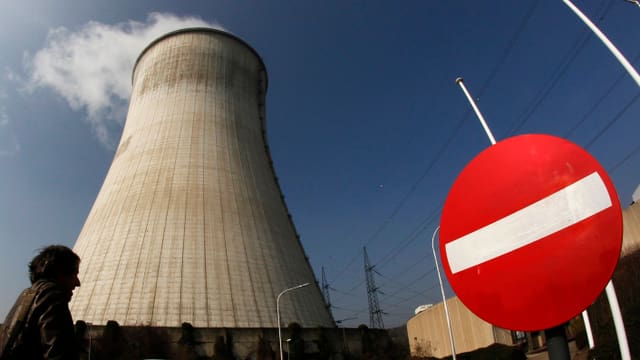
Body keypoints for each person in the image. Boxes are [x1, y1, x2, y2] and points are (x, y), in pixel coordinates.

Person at [0, 245, 81, 360]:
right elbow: (59, 353)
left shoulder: (27, 295)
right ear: (60, 273)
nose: (78, 283)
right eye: (75, 274)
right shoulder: (51, 296)